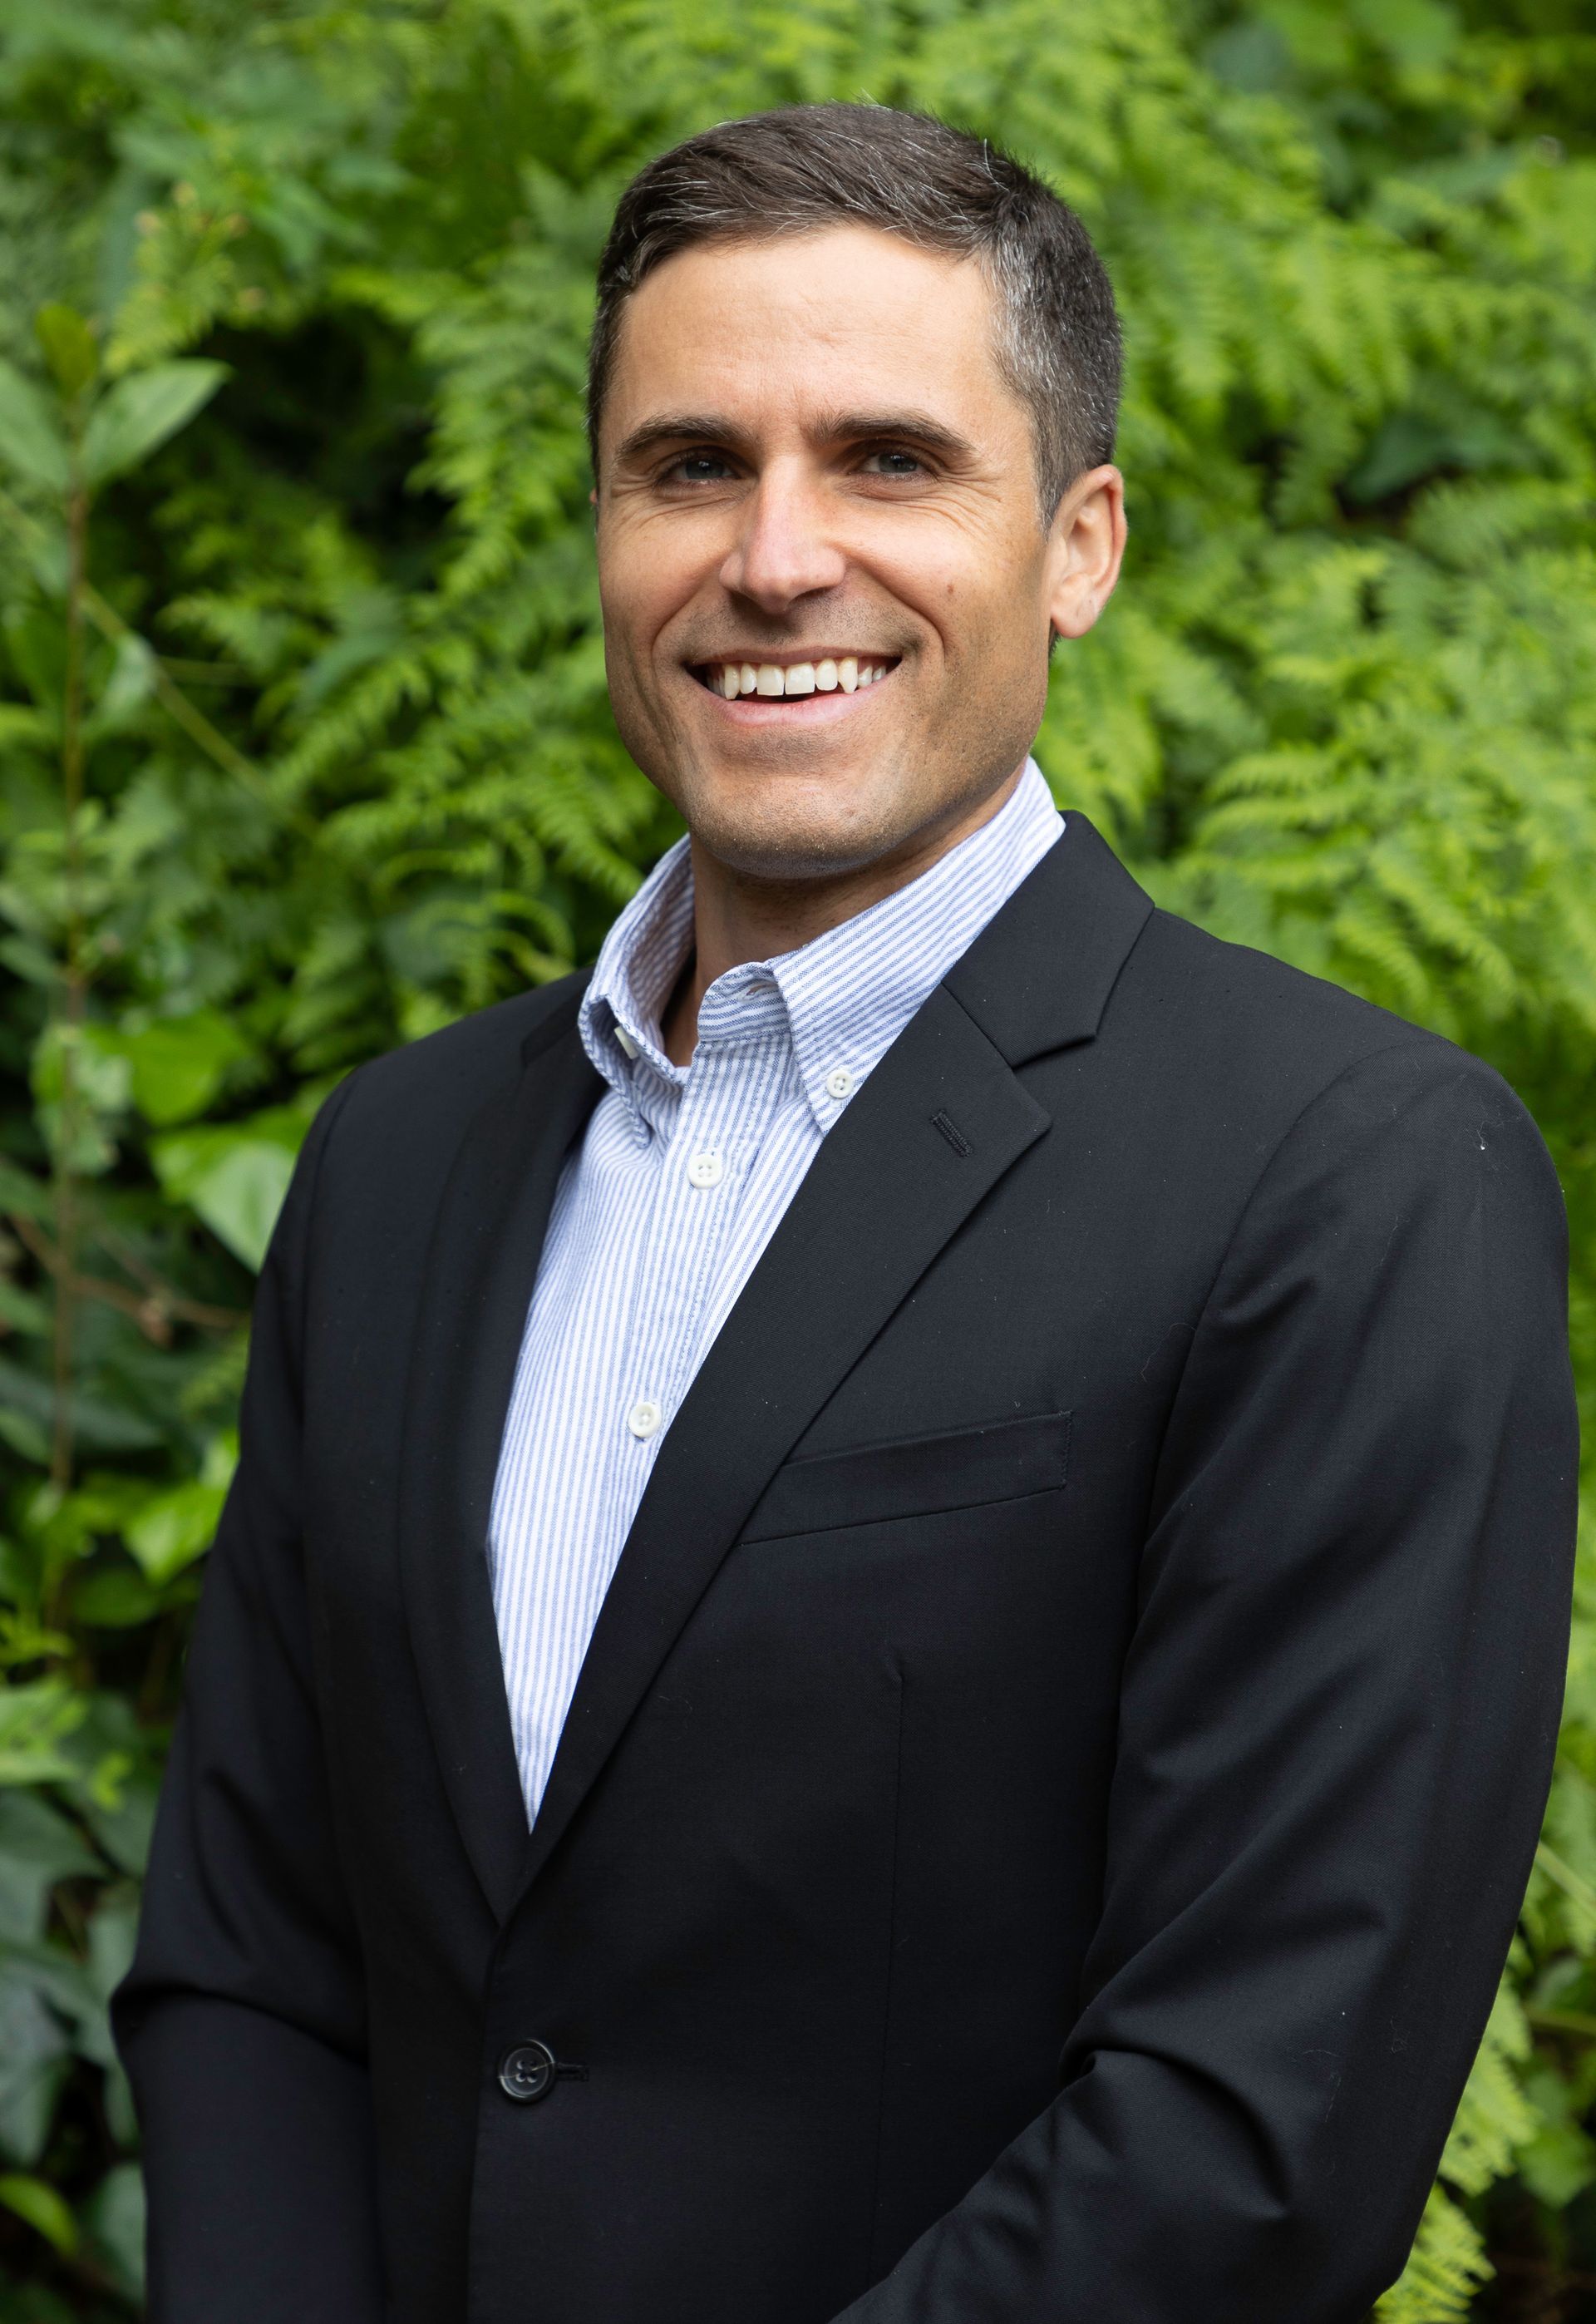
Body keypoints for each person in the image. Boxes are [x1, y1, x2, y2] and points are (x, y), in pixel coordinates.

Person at [114, 102, 1578, 2324]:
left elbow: (1245, 2138)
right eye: (689, 465)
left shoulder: (1349, 1179)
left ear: (1078, 543)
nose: (777, 555)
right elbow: (254, 1958)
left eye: (890, 460)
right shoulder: (399, 1165)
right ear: (601, 524)